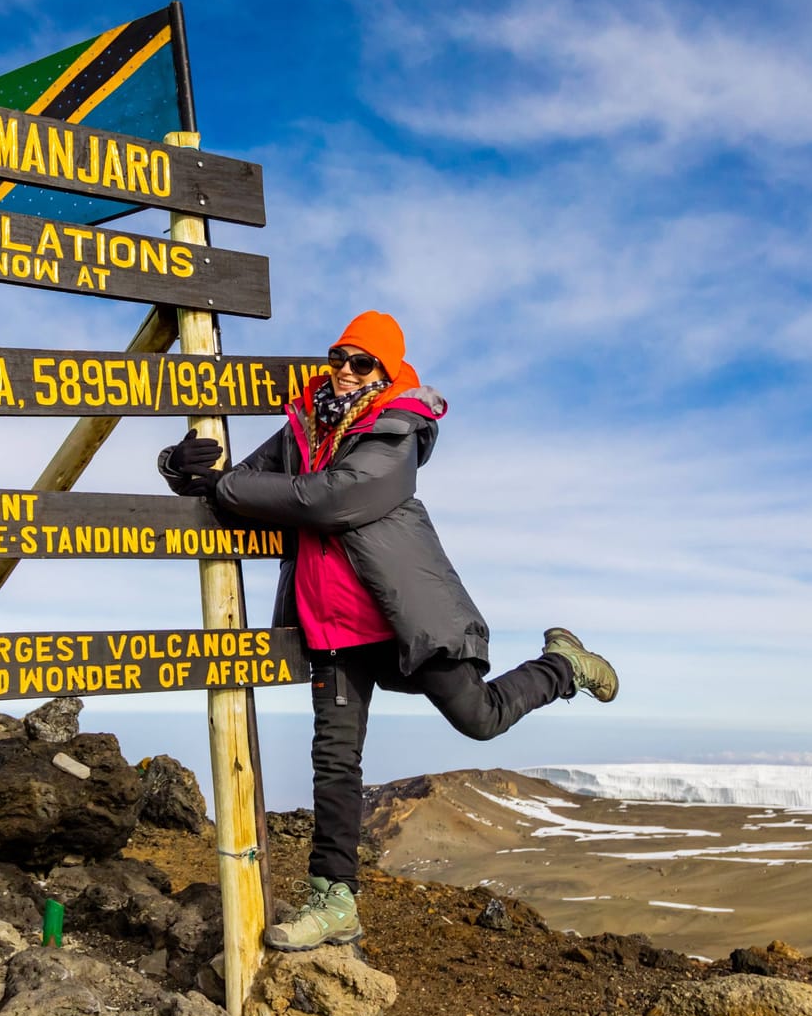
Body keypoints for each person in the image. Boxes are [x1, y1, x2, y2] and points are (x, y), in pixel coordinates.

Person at [156, 310, 618, 952]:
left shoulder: (397, 431)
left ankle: (563, 665)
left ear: (387, 371)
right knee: (335, 761)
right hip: (330, 628)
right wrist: (178, 466)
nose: (345, 371)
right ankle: (334, 899)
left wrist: (227, 484)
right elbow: (239, 480)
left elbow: (331, 498)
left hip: (402, 622)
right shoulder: (303, 425)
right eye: (338, 357)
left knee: (478, 718)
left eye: (362, 361)